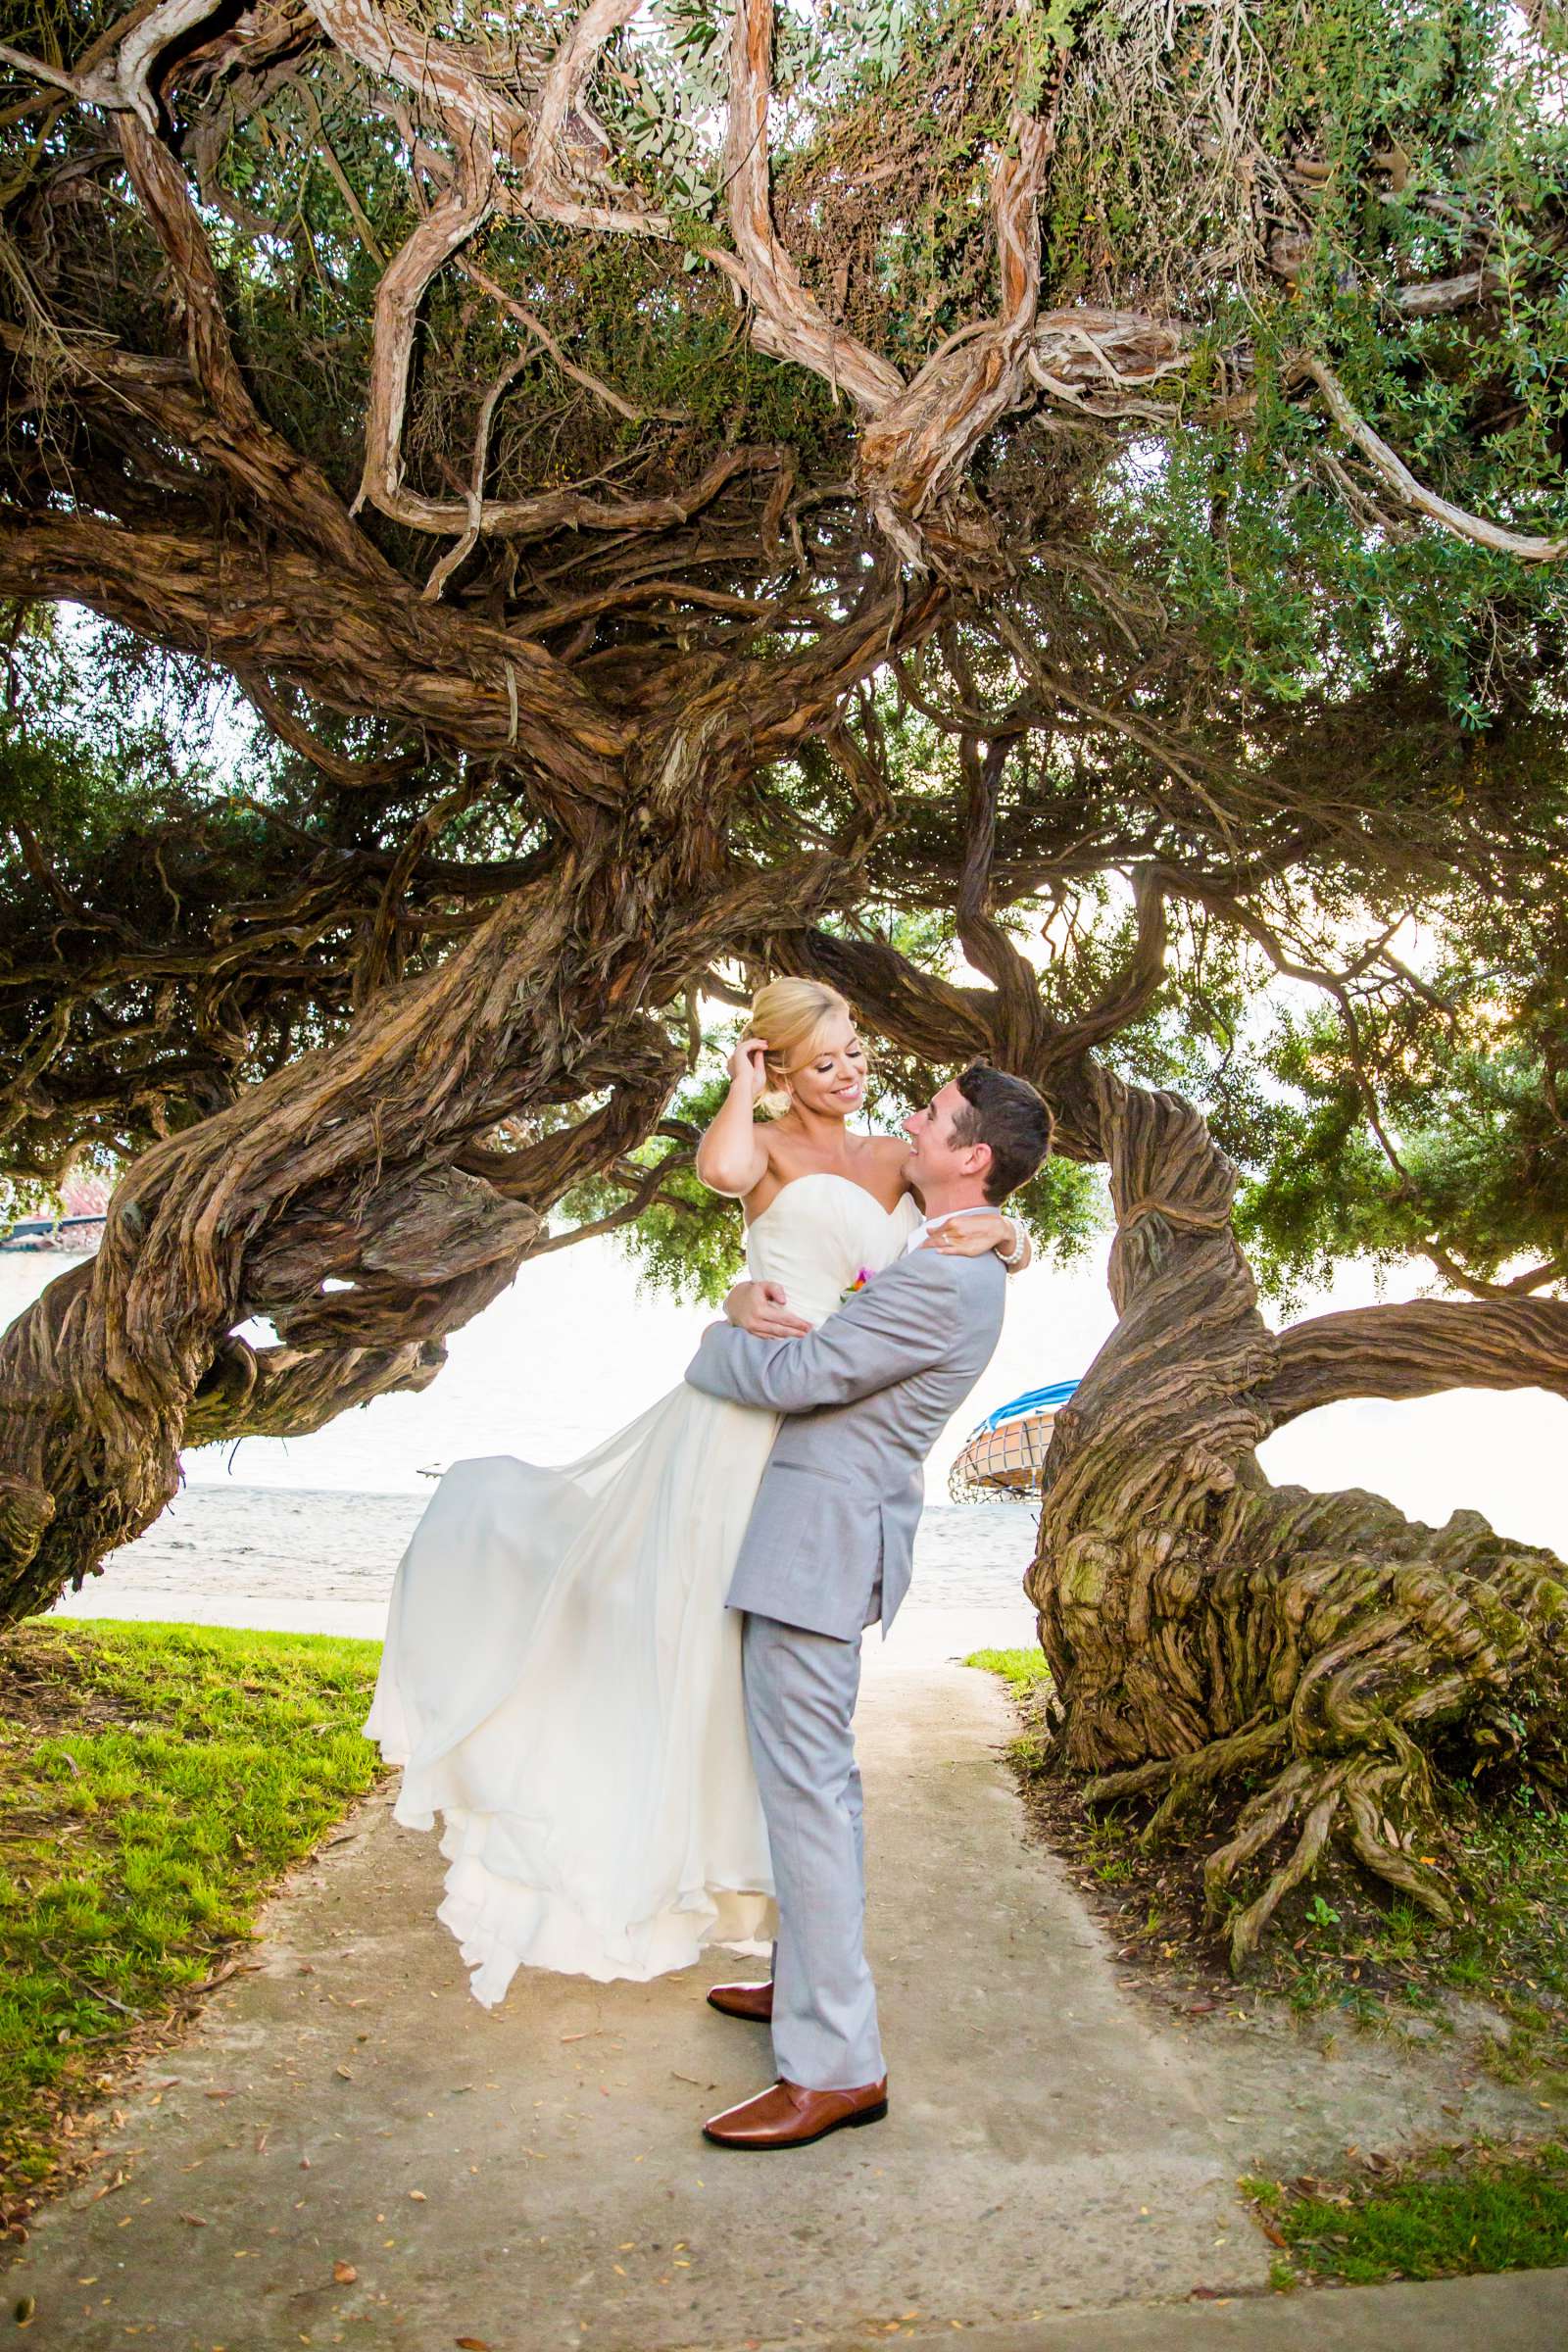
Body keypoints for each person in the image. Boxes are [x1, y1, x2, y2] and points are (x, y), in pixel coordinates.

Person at [363, 979, 1032, 2004]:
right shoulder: (761, 1142)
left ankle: (793, 1958)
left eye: (859, 1056)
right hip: (745, 1429)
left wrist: (1010, 1236)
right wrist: (739, 1093)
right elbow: (725, 1171)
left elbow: (956, 1232)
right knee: (686, 1659)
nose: (857, 1079)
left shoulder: (904, 1161)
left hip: (811, 1437)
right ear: (777, 1067)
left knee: (775, 1723)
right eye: (825, 1063)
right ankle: (763, 1938)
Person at [683, 1060, 1054, 2150]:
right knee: (806, 1784)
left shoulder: (947, 1277)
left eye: (932, 1118)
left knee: (809, 1796)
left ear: (970, 1156)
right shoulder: (951, 1248)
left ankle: (836, 2066)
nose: (908, 1120)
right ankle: (801, 1986)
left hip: (820, 1540)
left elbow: (804, 1377)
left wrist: (715, 1336)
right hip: (821, 1534)